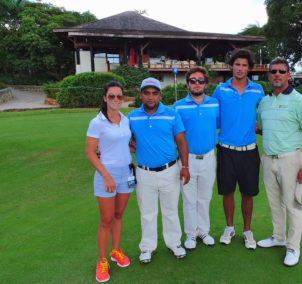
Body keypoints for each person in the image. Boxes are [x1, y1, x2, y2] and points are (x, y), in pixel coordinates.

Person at [256, 57, 302, 267]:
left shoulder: (299, 100)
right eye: (273, 71)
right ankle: (279, 237)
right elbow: (263, 129)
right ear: (269, 75)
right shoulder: (264, 101)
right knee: (274, 203)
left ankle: (293, 246)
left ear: (288, 75)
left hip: (290, 159)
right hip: (268, 158)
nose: (277, 75)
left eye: (281, 71)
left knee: (293, 205)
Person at [127, 77, 190, 264]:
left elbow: (181, 142)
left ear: (160, 95)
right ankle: (147, 247)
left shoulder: (171, 114)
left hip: (169, 169)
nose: (150, 97)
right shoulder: (132, 117)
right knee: (147, 212)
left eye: (154, 93)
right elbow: (123, 139)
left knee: (170, 210)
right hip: (144, 172)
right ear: (141, 95)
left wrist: (185, 166)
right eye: (146, 93)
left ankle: (174, 243)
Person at [212, 48, 265, 250]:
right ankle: (230, 227)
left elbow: (263, 116)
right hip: (226, 150)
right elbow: (213, 118)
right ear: (231, 66)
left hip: (249, 151)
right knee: (227, 192)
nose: (240, 68)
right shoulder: (221, 90)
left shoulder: (258, 90)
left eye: (244, 65)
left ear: (249, 68)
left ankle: (247, 231)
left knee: (247, 193)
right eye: (237, 64)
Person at [86, 81, 133, 282]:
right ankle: (102, 260)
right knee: (106, 220)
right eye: (111, 96)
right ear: (104, 98)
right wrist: (106, 176)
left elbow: (125, 144)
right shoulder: (97, 122)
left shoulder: (125, 119)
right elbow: (90, 152)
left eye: (119, 96)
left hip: (127, 173)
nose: (116, 100)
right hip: (107, 174)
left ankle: (115, 251)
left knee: (118, 214)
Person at [172, 67, 219, 250]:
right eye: (193, 80)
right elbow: (172, 134)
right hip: (187, 160)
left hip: (209, 157)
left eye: (200, 80)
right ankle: (190, 234)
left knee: (205, 198)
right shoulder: (178, 106)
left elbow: (221, 125)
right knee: (189, 199)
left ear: (206, 84)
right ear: (187, 83)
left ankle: (203, 232)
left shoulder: (214, 103)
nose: (197, 84)